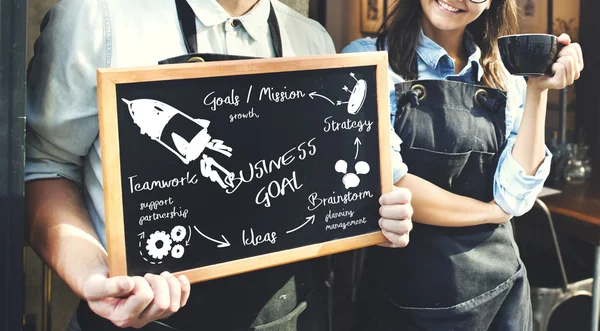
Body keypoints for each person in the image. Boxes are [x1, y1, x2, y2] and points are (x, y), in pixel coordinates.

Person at [25, 0, 414, 330]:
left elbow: (325, 182)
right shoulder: (99, 17)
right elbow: (46, 167)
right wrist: (92, 274)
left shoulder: (312, 37)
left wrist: (372, 211)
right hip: (147, 314)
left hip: (289, 313)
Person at [342, 0, 584, 330]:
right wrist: (488, 213)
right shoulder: (366, 59)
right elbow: (388, 180)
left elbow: (514, 196)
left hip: (500, 294)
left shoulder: (506, 73)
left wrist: (538, 89)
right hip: (405, 295)